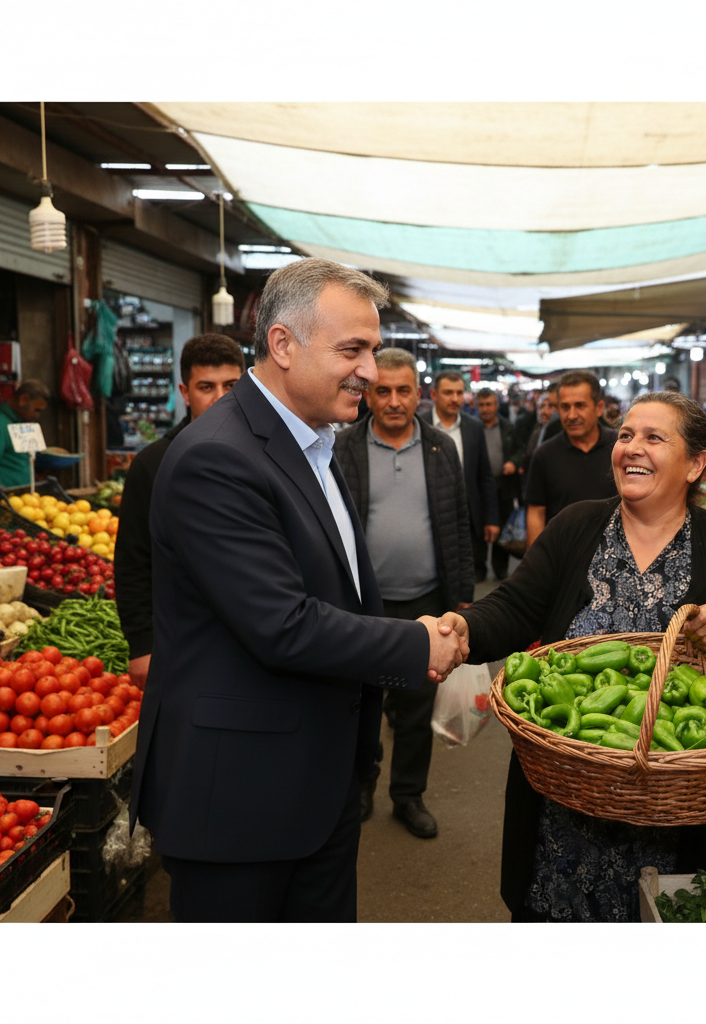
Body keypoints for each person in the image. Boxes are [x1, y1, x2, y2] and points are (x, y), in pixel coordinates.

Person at [128, 257, 467, 923]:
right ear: (283, 344)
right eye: (352, 350)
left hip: (318, 782)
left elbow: (340, 589)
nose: (370, 371)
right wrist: (415, 642)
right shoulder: (217, 457)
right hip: (242, 798)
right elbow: (281, 624)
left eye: (372, 350)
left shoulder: (313, 442)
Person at [439, 391, 706, 922]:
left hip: (681, 817)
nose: (631, 447)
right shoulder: (576, 527)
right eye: (626, 434)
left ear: (695, 464)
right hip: (566, 809)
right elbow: (515, 607)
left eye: (654, 437)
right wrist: (464, 629)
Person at [336, 347, 474, 839]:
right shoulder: (343, 447)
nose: (393, 401)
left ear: (419, 395)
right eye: (383, 391)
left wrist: (462, 593)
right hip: (362, 604)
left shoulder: (440, 448)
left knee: (416, 707)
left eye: (403, 391)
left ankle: (408, 796)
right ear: (368, 394)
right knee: (361, 703)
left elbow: (458, 520)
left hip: (426, 601)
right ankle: (361, 786)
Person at [114, 334, 245, 691]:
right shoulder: (153, 464)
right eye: (206, 387)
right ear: (185, 393)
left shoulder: (267, 456)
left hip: (255, 639)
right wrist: (141, 643)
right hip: (180, 641)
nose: (220, 398)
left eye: (231, 386)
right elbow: (133, 561)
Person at [523, 370, 618, 550]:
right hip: (562, 557)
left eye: (580, 406)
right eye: (565, 407)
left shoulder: (620, 448)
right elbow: (536, 512)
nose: (572, 415)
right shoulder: (544, 455)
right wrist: (535, 561)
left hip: (616, 557)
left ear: (599, 408)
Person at [419, 371, 499, 583]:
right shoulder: (419, 425)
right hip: (429, 513)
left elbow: (485, 476)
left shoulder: (474, 427)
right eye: (448, 393)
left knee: (470, 574)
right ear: (434, 395)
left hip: (468, 514)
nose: (455, 399)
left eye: (459, 393)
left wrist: (491, 519)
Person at [474, 387, 523, 582]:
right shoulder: (472, 428)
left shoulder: (508, 427)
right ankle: (478, 568)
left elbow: (520, 450)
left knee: (502, 528)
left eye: (489, 404)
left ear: (496, 405)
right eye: (481, 405)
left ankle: (500, 568)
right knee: (477, 529)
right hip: (478, 488)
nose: (485, 409)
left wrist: (513, 462)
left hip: (503, 487)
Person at [0, 380, 50, 487]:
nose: (37, 416)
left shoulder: (20, 422)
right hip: (5, 494)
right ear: (23, 400)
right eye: (36, 410)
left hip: (25, 493)